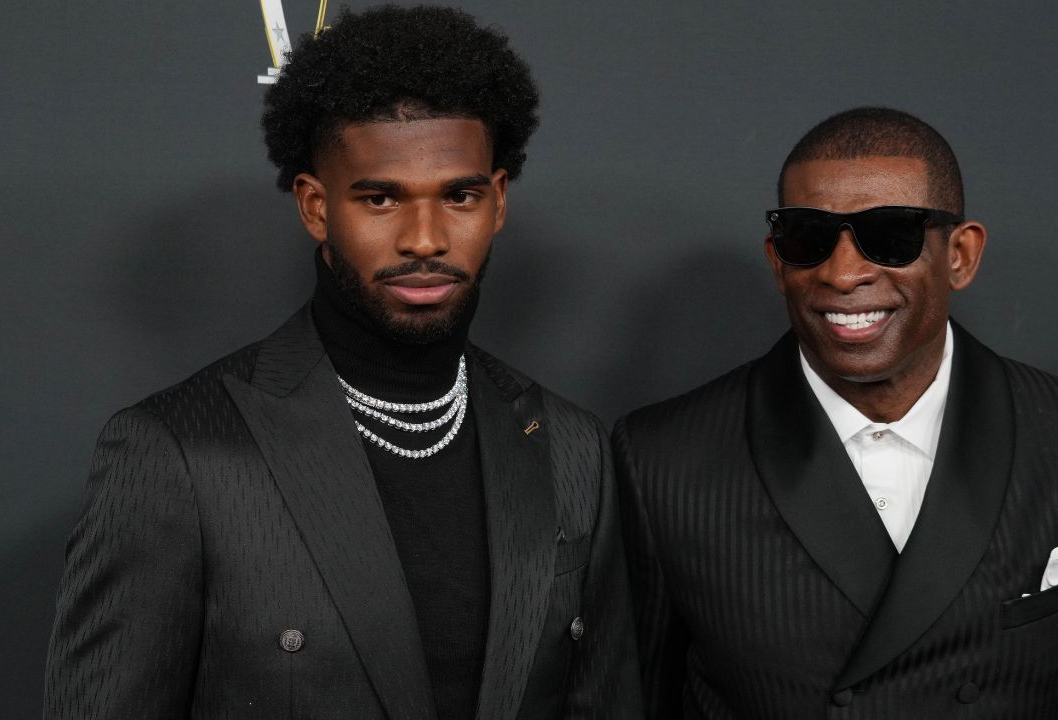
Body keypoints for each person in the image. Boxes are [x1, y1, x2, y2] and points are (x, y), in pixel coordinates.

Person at [44, 6, 640, 718]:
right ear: (316, 207)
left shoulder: (571, 447)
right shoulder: (177, 451)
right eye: (381, 198)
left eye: (459, 196)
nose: (425, 238)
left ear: (499, 202)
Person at [615, 107, 1058, 717]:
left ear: (960, 255)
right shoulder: (663, 462)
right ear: (777, 261)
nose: (843, 273)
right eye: (808, 237)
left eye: (892, 234)